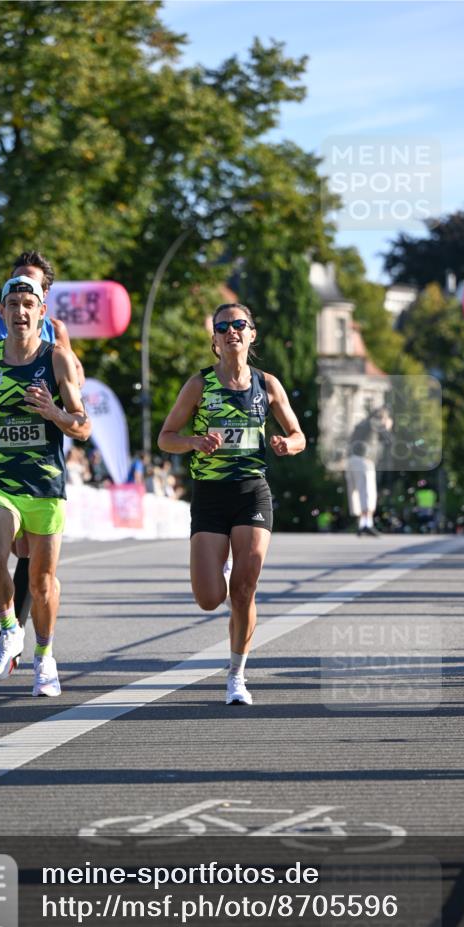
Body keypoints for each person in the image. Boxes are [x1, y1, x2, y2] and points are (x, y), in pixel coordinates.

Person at [158, 302, 305, 706]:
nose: (231, 332)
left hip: (251, 493)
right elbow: (166, 436)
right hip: (211, 495)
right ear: (215, 341)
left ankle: (236, 676)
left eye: (239, 325)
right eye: (222, 327)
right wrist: (193, 441)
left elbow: (299, 434)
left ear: (252, 334)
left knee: (243, 589)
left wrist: (285, 444)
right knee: (209, 598)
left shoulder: (268, 384)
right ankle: (221, 563)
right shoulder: (199, 385)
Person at [0, 274, 91, 696]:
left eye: (27, 305)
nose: (20, 312)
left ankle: (46, 657)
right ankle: (10, 629)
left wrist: (54, 413)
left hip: (45, 484)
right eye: (12, 304)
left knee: (42, 582)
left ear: (41, 313)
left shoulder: (58, 360)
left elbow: (82, 426)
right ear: (2, 312)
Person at [344, 406, 392, 537]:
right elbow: (388, 440)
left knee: (357, 492)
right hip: (363, 461)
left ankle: (362, 524)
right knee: (367, 492)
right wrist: (387, 427)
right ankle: (367, 525)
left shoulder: (362, 424)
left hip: (351, 460)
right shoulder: (375, 423)